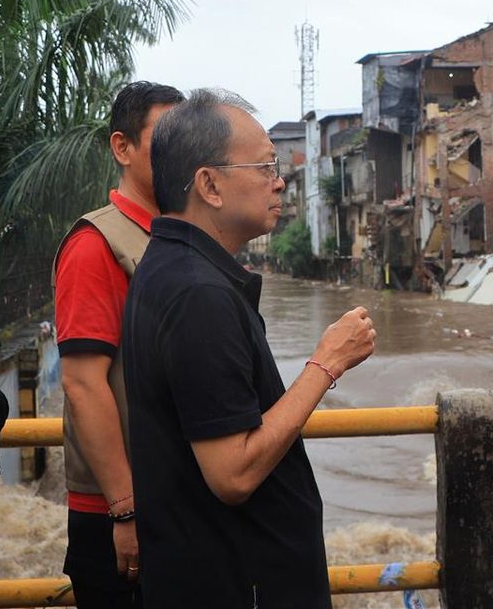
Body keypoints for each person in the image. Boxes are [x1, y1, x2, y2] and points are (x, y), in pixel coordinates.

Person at [122, 88, 376, 608]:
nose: (279, 180)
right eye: (264, 166)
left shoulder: (169, 265)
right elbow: (233, 474)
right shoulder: (198, 295)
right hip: (237, 583)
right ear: (210, 185)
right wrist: (327, 363)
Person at [55, 81, 185, 607]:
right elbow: (84, 384)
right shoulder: (97, 245)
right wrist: (125, 510)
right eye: (166, 139)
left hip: (177, 501)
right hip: (119, 514)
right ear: (122, 148)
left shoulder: (173, 238)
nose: (182, 152)